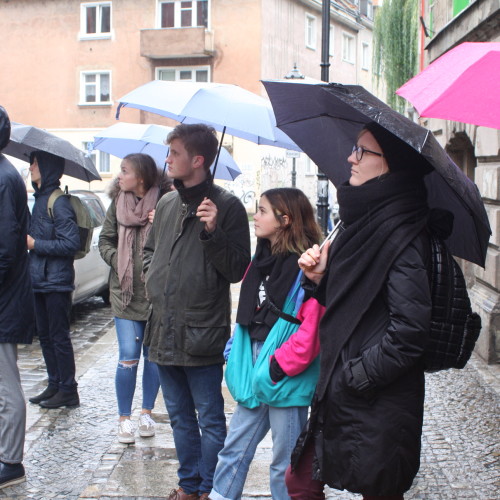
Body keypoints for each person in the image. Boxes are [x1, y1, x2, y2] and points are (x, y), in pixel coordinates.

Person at [287, 122, 434, 500]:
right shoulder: (362, 224)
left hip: (375, 396)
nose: (351, 157)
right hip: (344, 388)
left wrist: (355, 377)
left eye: (362, 151)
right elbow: (353, 302)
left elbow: (410, 331)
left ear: (389, 164)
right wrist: (319, 279)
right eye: (355, 148)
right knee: (300, 482)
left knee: (378, 490)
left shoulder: (401, 233)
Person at [143, 123, 251, 500]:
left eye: (173, 153)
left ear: (198, 160)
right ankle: (188, 486)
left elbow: (238, 269)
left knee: (210, 417)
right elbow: (149, 252)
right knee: (177, 417)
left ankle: (209, 487)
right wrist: (150, 278)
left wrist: (212, 232)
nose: (167, 159)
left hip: (201, 331)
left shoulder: (229, 207)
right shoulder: (168, 202)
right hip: (161, 330)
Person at [209, 187, 325, 500]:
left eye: (261, 210)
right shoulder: (260, 258)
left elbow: (311, 328)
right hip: (254, 361)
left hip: (285, 370)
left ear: (285, 219)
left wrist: (278, 366)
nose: (255, 216)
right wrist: (236, 348)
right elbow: (251, 308)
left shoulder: (309, 265)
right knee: (234, 448)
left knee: (284, 462)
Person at [99, 153, 172, 444]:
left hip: (156, 294)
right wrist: (119, 260)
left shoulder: (167, 202)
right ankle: (124, 418)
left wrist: (163, 222)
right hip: (125, 293)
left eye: (124, 170)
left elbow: (179, 244)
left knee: (152, 357)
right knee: (128, 355)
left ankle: (146, 412)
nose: (119, 175)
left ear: (140, 177)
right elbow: (105, 240)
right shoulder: (117, 203)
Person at [27, 150, 80, 409]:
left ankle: (68, 389)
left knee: (58, 337)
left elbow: (70, 244)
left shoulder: (58, 202)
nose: (31, 168)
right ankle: (55, 383)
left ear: (47, 167)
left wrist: (36, 244)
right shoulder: (40, 199)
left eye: (35, 163)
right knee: (45, 337)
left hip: (56, 281)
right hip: (39, 279)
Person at [0, 106, 36, 489]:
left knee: (7, 384)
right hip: (7, 295)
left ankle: (11, 461)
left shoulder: (4, 178)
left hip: (4, 299)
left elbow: (6, 248)